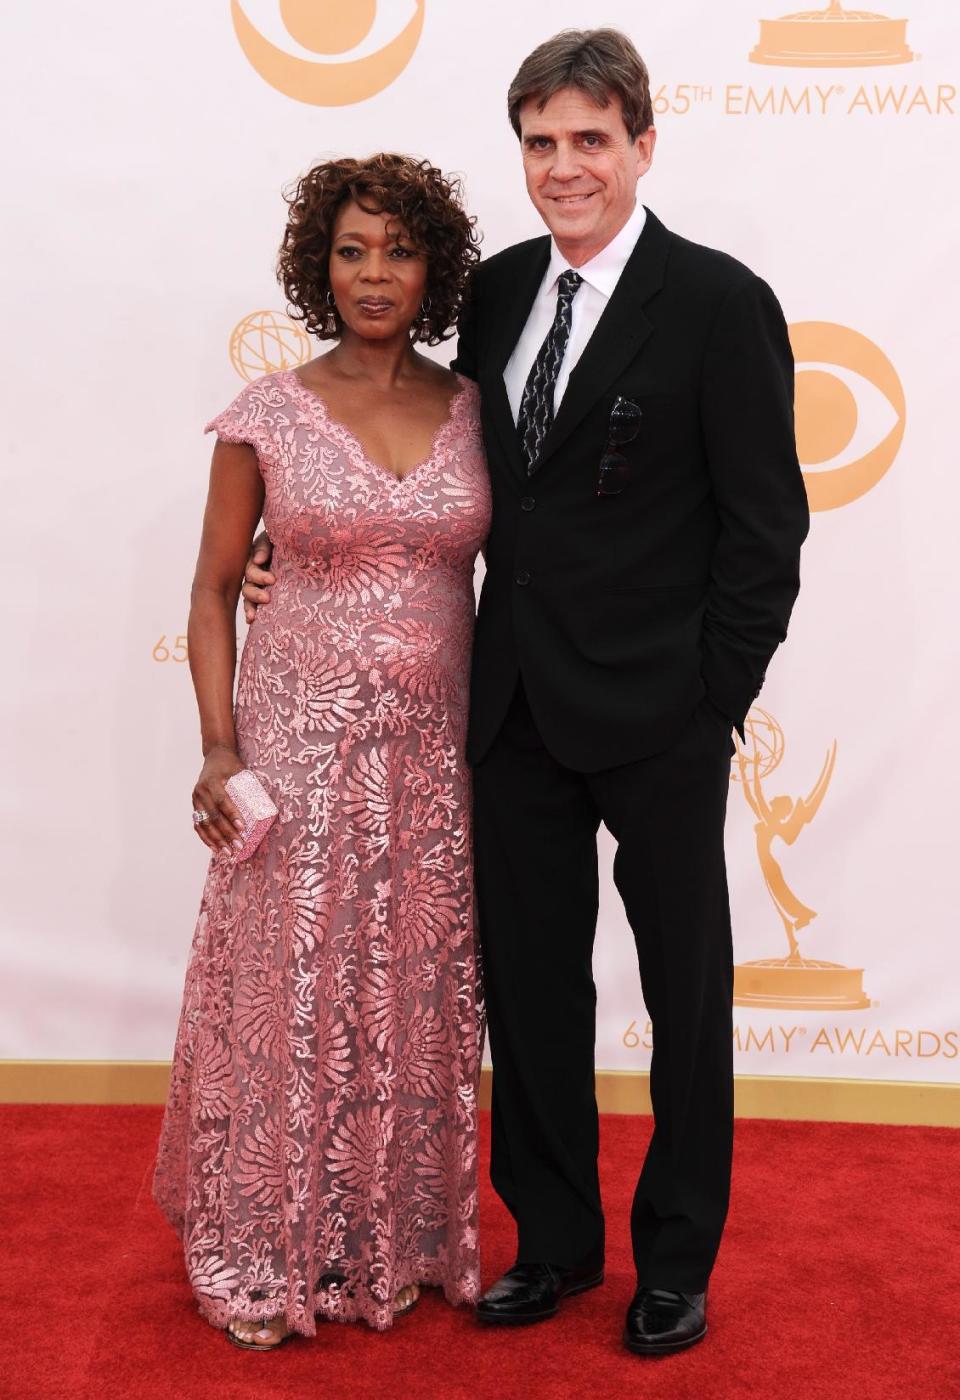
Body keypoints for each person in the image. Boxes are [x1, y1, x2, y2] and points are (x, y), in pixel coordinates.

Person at [243, 29, 810, 1356]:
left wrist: (713, 697)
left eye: (591, 141)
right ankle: (554, 1243)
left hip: (662, 713)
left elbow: (764, 530)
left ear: (641, 146)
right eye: (543, 144)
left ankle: (676, 1260)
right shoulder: (491, 294)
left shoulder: (721, 303)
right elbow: (411, 446)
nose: (566, 168)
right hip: (508, 714)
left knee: (687, 997)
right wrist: (296, 548)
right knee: (535, 994)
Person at [153, 153, 490, 1350]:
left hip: (432, 764)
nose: (374, 273)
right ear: (318, 266)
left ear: (434, 266)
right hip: (295, 749)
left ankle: (382, 1238)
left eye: (397, 249)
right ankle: (262, 1244)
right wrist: (214, 744)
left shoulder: (475, 407)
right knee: (291, 996)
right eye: (351, 250)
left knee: (402, 988)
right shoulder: (267, 412)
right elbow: (207, 590)